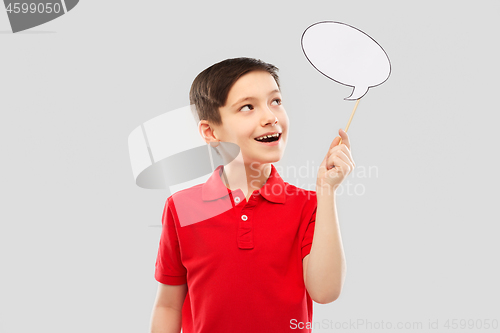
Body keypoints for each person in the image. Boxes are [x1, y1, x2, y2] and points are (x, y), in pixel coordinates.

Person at [149, 57, 355, 333]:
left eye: (276, 101)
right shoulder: (181, 207)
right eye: (248, 107)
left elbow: (325, 292)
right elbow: (168, 305)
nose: (270, 117)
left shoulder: (309, 205)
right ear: (210, 131)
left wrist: (326, 190)